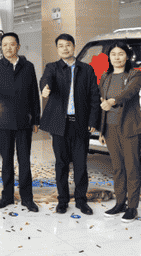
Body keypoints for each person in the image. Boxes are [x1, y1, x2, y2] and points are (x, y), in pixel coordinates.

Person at [39, 34, 101, 216]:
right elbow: (46, 79)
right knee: (61, 164)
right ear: (57, 49)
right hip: (60, 124)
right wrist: (45, 88)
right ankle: (63, 200)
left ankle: (81, 200)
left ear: (74, 47)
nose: (65, 48)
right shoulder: (52, 67)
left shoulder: (86, 69)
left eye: (68, 45)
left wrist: (93, 120)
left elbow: (94, 96)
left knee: (81, 164)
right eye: (61, 46)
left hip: (80, 124)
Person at [0, 32, 40, 212]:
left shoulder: (28, 66)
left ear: (18, 46)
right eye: (5, 45)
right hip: (3, 120)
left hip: (24, 121)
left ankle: (27, 198)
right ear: (1, 48)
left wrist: (36, 119)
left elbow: (34, 94)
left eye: (12, 44)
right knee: (6, 161)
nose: (8, 48)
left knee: (24, 161)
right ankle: (7, 197)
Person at [98, 41, 141, 223]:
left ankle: (132, 207)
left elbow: (129, 92)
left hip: (129, 127)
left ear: (127, 56)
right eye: (113, 54)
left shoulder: (135, 75)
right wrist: (101, 131)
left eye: (120, 54)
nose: (117, 58)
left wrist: (113, 101)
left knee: (132, 167)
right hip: (110, 128)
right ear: (109, 57)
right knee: (117, 168)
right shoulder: (105, 77)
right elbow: (101, 102)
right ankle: (120, 203)